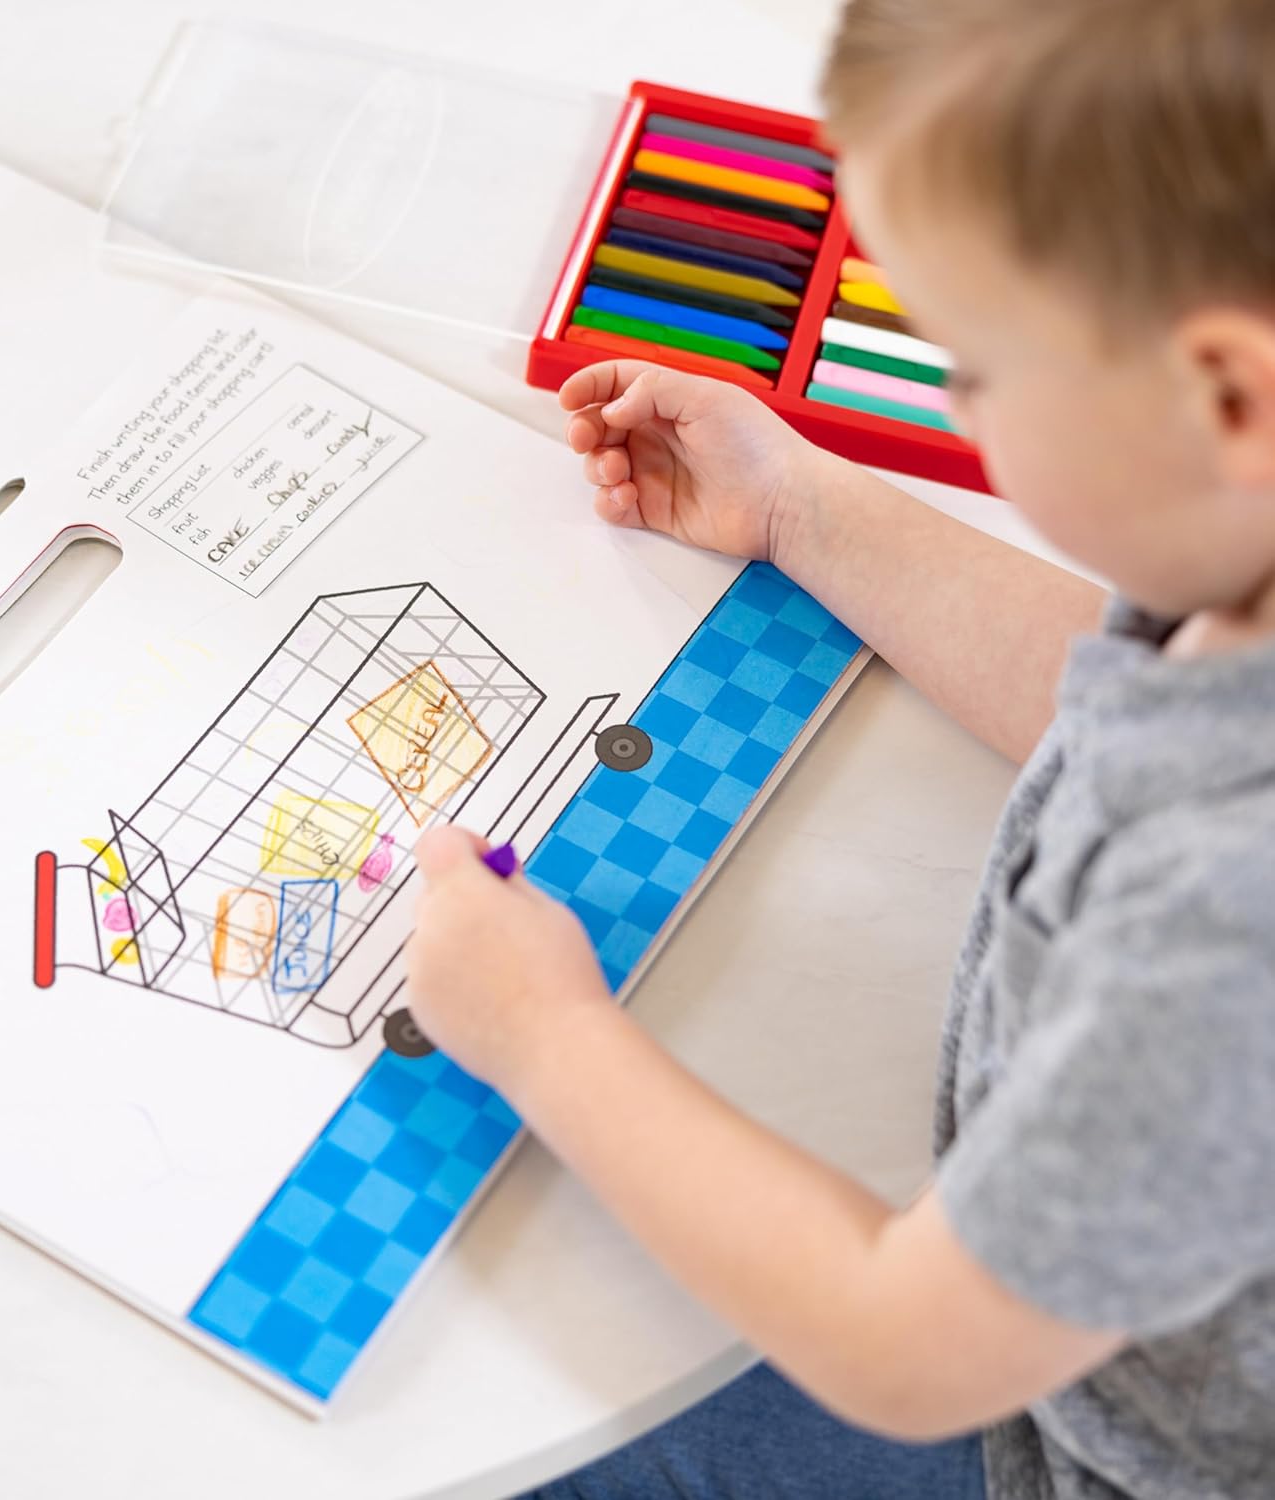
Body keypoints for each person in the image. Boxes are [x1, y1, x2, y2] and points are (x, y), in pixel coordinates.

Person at [407, 1, 1275, 1494]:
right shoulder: (1241, 560)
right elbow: (1124, 690)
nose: (951, 402)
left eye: (978, 363)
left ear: (1228, 394)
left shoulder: (1223, 931)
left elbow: (910, 1349)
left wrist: (540, 1032)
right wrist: (802, 509)